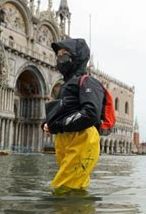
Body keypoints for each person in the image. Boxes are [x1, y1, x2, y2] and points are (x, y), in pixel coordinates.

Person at [42, 38, 104, 195]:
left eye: (64, 54)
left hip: (82, 138)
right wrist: (48, 123)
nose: (59, 59)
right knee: (75, 186)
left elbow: (90, 113)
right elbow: (65, 110)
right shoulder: (65, 85)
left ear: (76, 57)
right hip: (66, 139)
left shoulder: (88, 81)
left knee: (63, 188)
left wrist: (58, 125)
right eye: (58, 55)